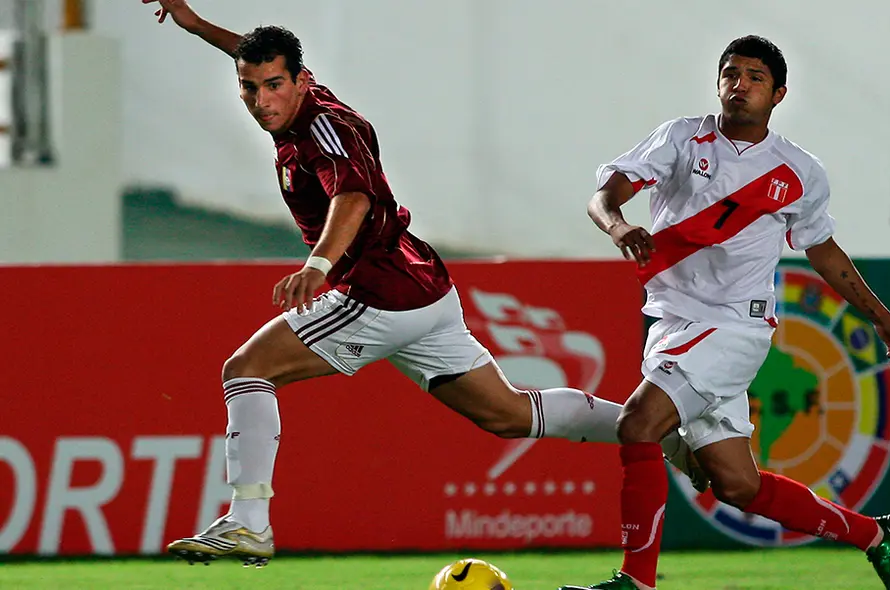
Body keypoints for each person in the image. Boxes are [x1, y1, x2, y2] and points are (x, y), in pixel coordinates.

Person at [140, 0, 700, 568]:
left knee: (246, 371)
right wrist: (193, 24)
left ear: (302, 81)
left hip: (377, 293)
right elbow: (253, 57)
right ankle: (661, 432)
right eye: (250, 87)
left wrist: (318, 265)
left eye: (274, 86)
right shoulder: (302, 97)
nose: (262, 101)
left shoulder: (323, 128)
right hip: (426, 290)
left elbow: (352, 197)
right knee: (507, 413)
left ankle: (249, 521)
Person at [560, 36, 890, 590]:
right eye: (731, 73)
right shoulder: (682, 138)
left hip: (733, 327)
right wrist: (618, 225)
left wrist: (882, 317)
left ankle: (636, 582)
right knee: (738, 487)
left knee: (639, 424)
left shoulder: (799, 171)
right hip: (672, 324)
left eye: (755, 77)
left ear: (778, 94)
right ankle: (875, 536)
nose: (740, 84)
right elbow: (604, 195)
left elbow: (823, 250)